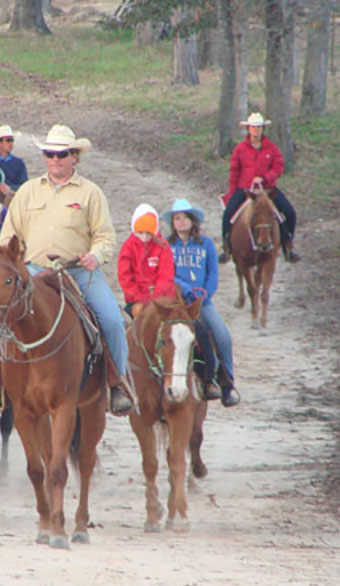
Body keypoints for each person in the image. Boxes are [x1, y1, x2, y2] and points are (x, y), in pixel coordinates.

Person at [0, 124, 136, 416]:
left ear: (74, 156)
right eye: (50, 154)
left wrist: (94, 255)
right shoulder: (26, 193)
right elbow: (8, 236)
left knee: (112, 320)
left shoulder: (91, 193)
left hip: (77, 270)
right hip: (33, 271)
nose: (55, 160)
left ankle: (117, 382)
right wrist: (13, 264)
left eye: (62, 154)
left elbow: (105, 236)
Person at [162, 198, 239, 407]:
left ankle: (227, 384)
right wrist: (186, 290)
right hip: (179, 302)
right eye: (177, 218)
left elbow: (213, 272)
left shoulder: (206, 244)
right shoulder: (168, 245)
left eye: (185, 217)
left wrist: (205, 293)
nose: (181, 222)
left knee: (221, 334)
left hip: (202, 302)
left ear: (193, 221)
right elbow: (167, 272)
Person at [219, 112, 300, 264]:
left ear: (263, 129)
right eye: (253, 127)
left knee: (289, 212)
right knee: (228, 215)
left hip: (267, 190)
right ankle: (227, 248)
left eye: (259, 127)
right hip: (245, 189)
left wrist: (264, 178)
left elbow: (278, 167)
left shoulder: (272, 148)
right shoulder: (240, 149)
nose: (256, 130)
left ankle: (287, 246)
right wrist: (232, 191)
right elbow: (234, 171)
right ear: (248, 129)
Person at [117, 203, 176, 319]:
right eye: (140, 233)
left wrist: (156, 297)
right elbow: (125, 277)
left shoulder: (163, 246)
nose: (144, 237)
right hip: (137, 300)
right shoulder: (128, 247)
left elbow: (166, 275)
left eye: (149, 233)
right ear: (135, 230)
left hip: (163, 297)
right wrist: (139, 297)